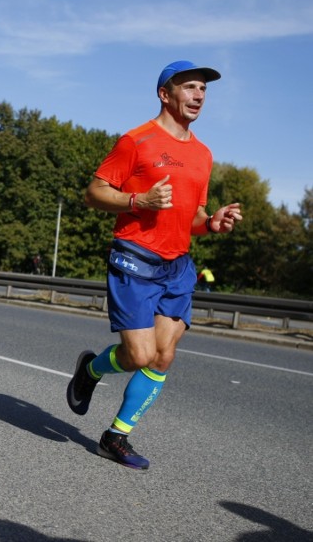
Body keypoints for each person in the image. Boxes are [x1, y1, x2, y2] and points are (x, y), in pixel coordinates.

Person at [66, 60, 243, 470]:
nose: (199, 95)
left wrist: (212, 223)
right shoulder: (136, 141)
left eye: (203, 89)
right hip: (135, 258)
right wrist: (136, 201)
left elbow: (193, 217)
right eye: (190, 87)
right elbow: (93, 193)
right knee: (140, 355)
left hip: (177, 264)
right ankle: (91, 370)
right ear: (166, 94)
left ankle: (116, 437)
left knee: (164, 356)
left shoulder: (202, 154)